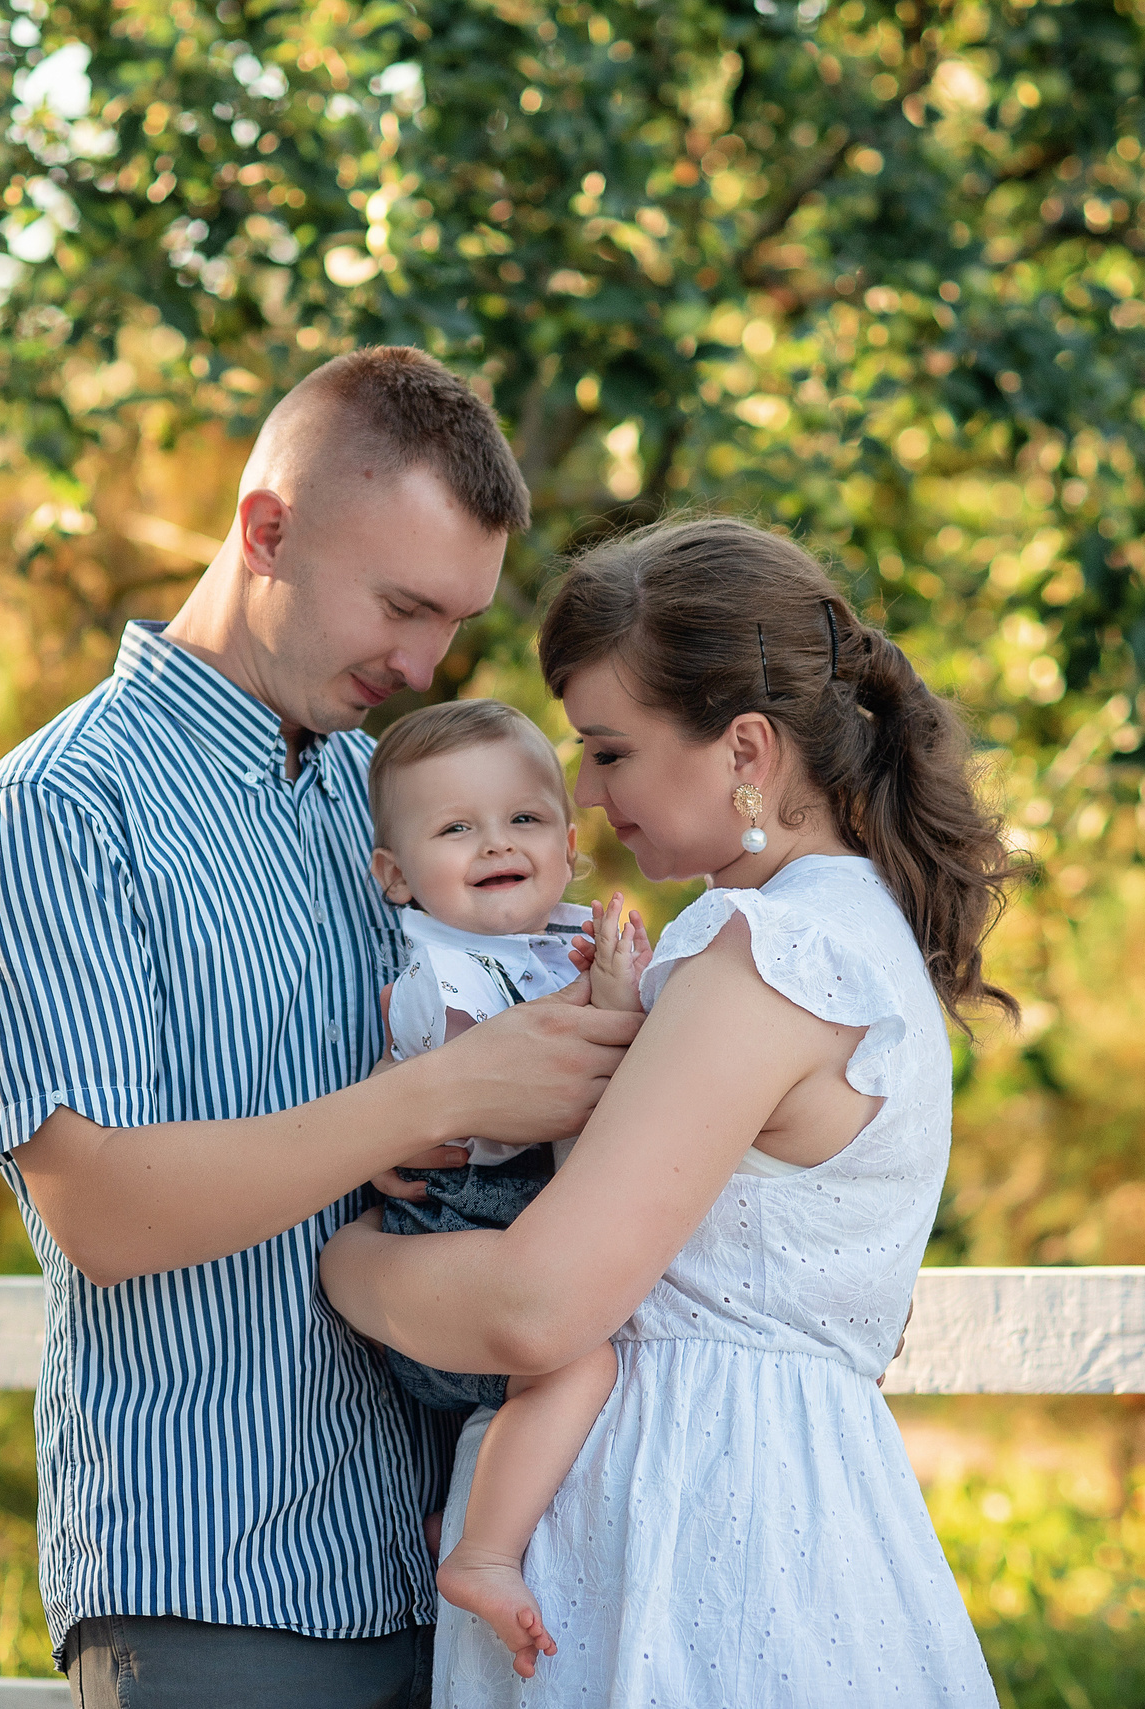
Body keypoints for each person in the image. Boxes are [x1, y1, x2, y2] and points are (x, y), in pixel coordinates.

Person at [0, 347, 642, 1709]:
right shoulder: (63, 815)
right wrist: (429, 1101)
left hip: (450, 1567)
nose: (425, 662)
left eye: (454, 624)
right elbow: (102, 1212)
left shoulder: (395, 802)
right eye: (404, 605)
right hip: (218, 1590)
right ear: (266, 530)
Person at [320, 514, 1019, 1705]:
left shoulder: (769, 951)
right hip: (780, 1496)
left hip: (696, 1517)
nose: (583, 795)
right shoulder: (854, 939)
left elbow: (537, 1303)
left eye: (608, 749)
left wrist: (342, 1257)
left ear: (744, 747)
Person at [361, 699, 651, 1677]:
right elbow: (518, 1081)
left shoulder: (557, 943)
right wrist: (609, 1000)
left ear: (571, 845)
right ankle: (482, 1554)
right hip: (458, 1228)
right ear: (396, 875)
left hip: (500, 1230)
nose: (496, 842)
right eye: (456, 828)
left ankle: (469, 1509)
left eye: (523, 819)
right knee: (581, 1363)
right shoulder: (434, 974)